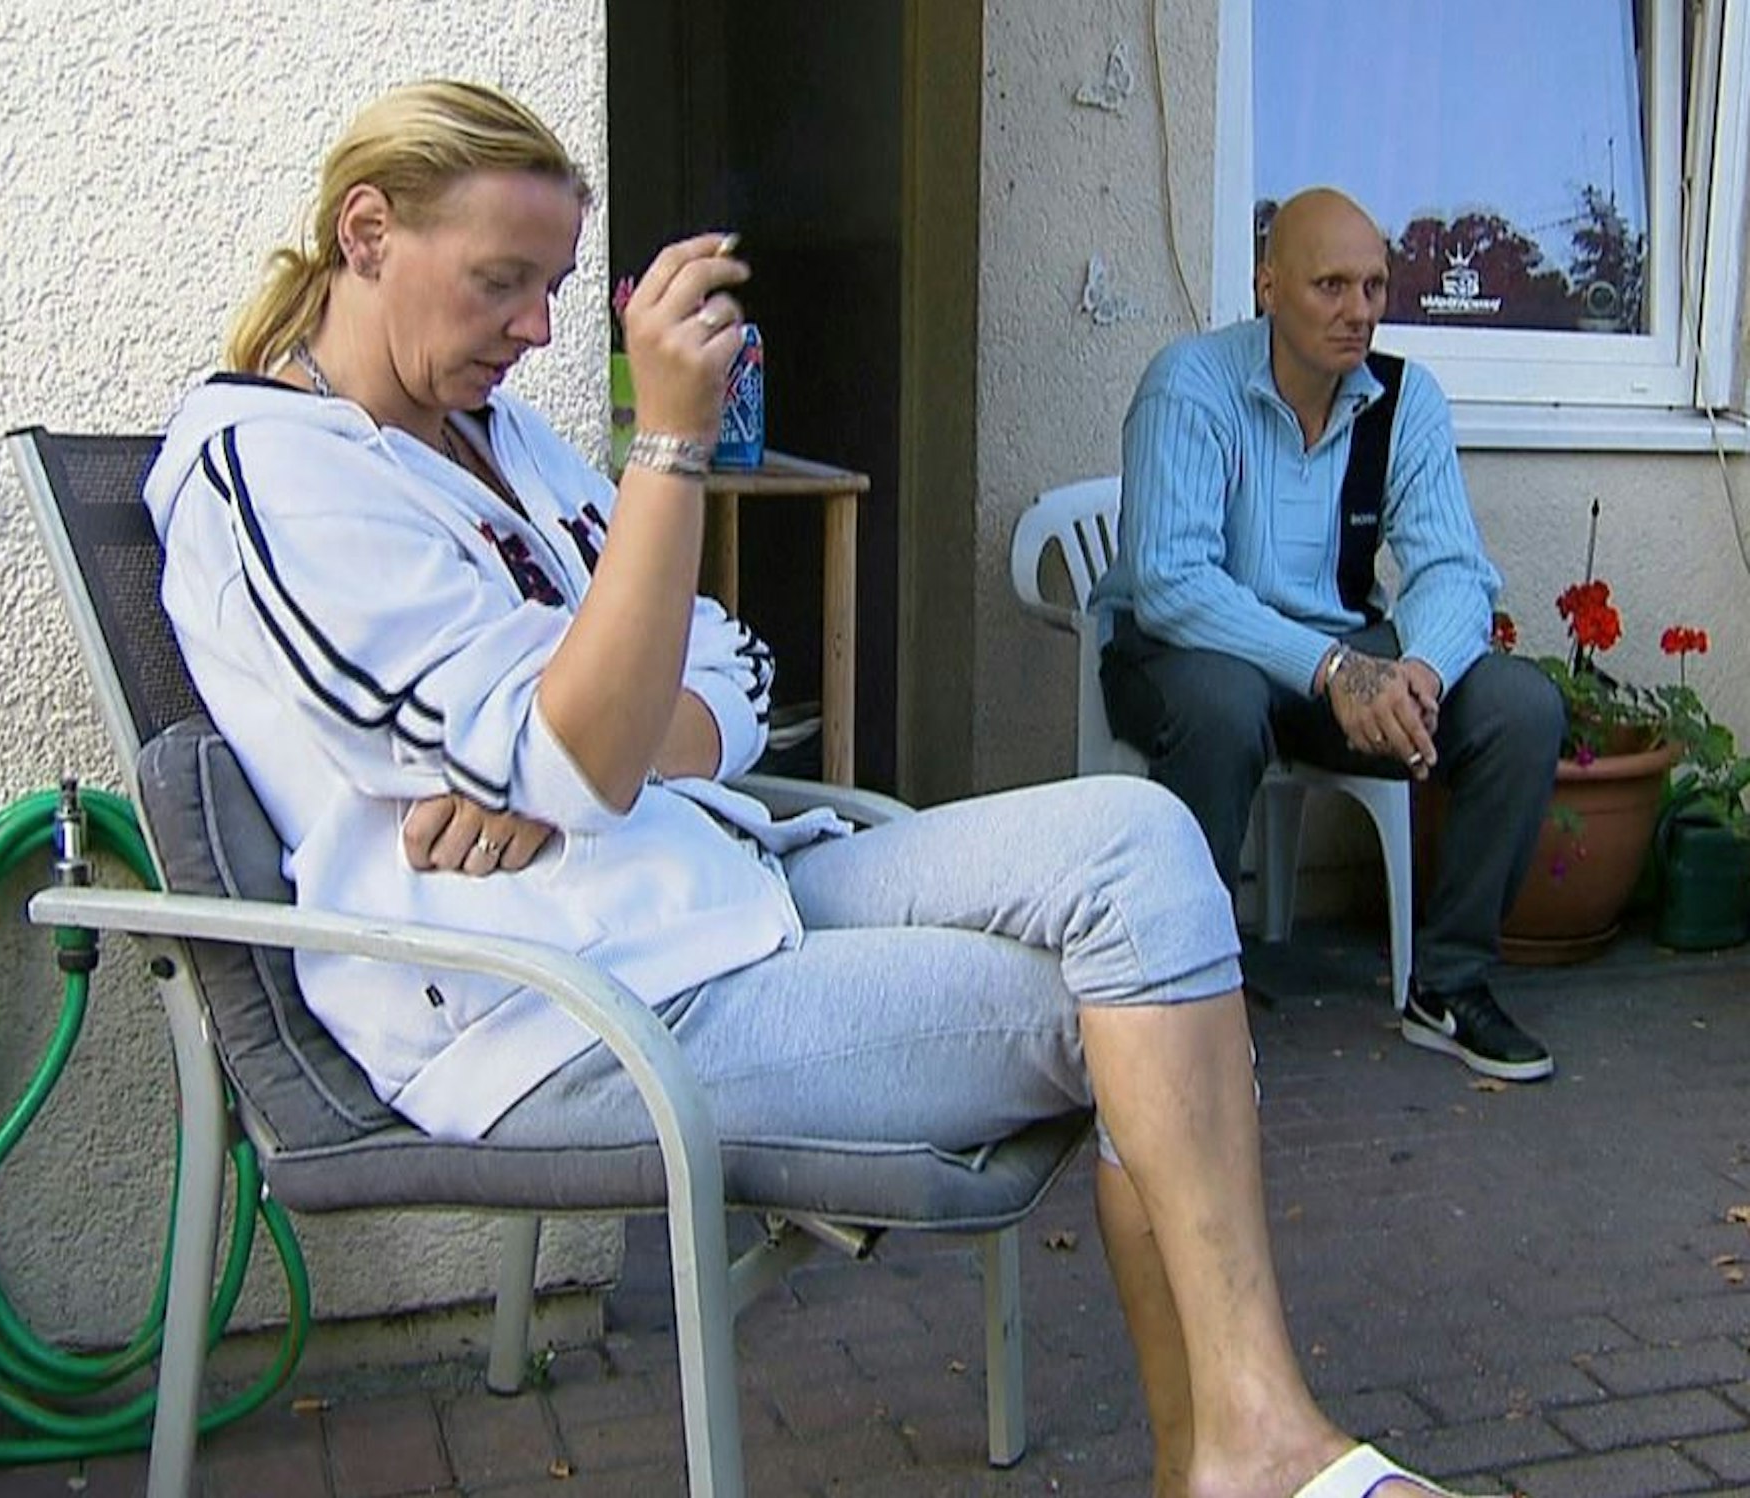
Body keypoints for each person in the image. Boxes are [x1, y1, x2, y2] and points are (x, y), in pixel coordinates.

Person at [144, 83, 1468, 1498]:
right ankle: (1246, 1454)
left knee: (1141, 844)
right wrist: (661, 458)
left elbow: (722, 661)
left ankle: (1244, 1448)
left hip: (716, 883)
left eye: (548, 290)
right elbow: (574, 740)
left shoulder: (502, 446)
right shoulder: (266, 474)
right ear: (365, 235)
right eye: (502, 283)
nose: (537, 331)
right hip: (568, 1009)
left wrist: (589, 746)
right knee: (1138, 1010)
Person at [1091, 187, 1565, 1085]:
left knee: (1517, 704)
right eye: (1330, 286)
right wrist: (1336, 669)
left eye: (1376, 287)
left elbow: (1452, 570)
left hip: (1338, 662)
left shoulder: (1401, 400)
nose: (1359, 313)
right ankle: (1186, 997)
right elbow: (1169, 582)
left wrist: (1418, 668)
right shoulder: (1191, 384)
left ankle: (1449, 984)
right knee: (1225, 707)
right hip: (1184, 654)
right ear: (1267, 286)